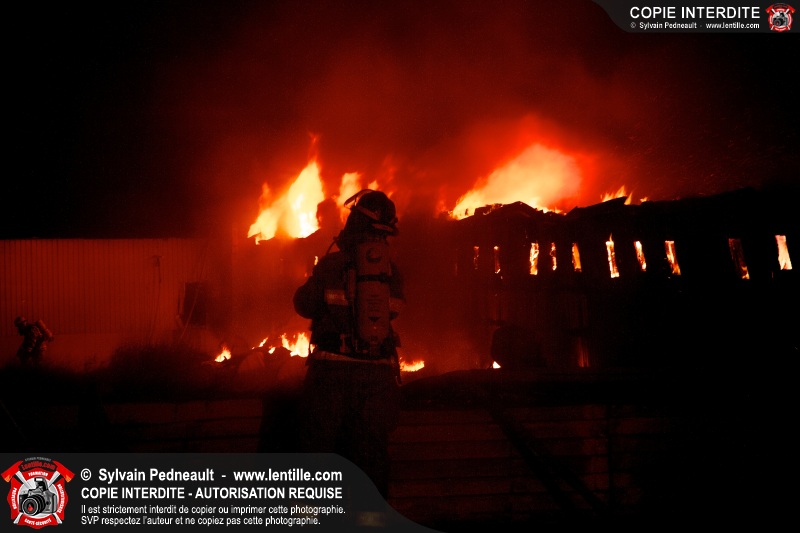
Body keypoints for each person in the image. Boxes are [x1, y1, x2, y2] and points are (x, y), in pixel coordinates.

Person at [293, 190, 404, 499]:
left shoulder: (332, 264)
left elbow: (304, 304)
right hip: (377, 374)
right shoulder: (391, 271)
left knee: (316, 452)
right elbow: (395, 310)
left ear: (354, 222)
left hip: (331, 373)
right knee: (371, 454)